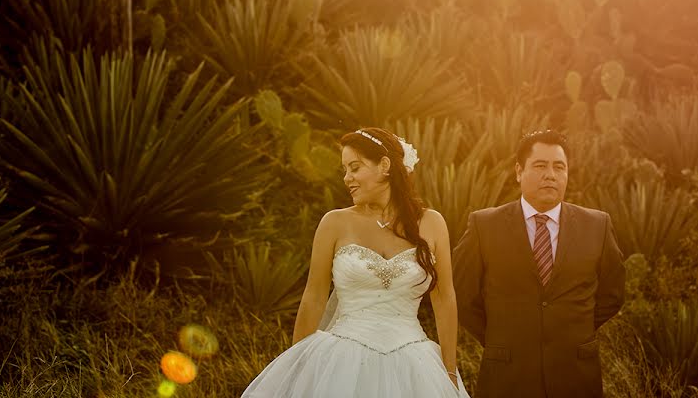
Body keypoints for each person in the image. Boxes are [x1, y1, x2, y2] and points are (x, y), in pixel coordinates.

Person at [242, 127, 469, 397]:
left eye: (355, 168)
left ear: (384, 166)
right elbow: (313, 297)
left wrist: (449, 369)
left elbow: (444, 298)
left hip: (414, 364)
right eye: (345, 170)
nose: (347, 178)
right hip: (341, 357)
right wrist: (299, 367)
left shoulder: (432, 223)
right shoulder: (334, 223)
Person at [452, 129, 625, 397]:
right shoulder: (484, 225)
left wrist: (572, 327)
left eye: (559, 167)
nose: (550, 175)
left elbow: (612, 294)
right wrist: (501, 336)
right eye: (540, 165)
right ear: (519, 172)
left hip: (576, 374)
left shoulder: (598, 225)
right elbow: (462, 295)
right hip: (507, 374)